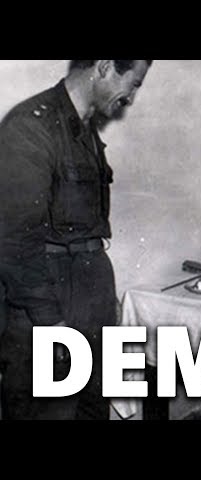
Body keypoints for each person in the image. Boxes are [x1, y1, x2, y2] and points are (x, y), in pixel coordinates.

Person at [0, 60, 152, 420]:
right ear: (104, 66)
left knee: (93, 409)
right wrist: (51, 323)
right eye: (133, 84)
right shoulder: (30, 126)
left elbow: (87, 231)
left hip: (88, 294)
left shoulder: (84, 127)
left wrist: (103, 299)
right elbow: (15, 242)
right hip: (47, 301)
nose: (130, 98)